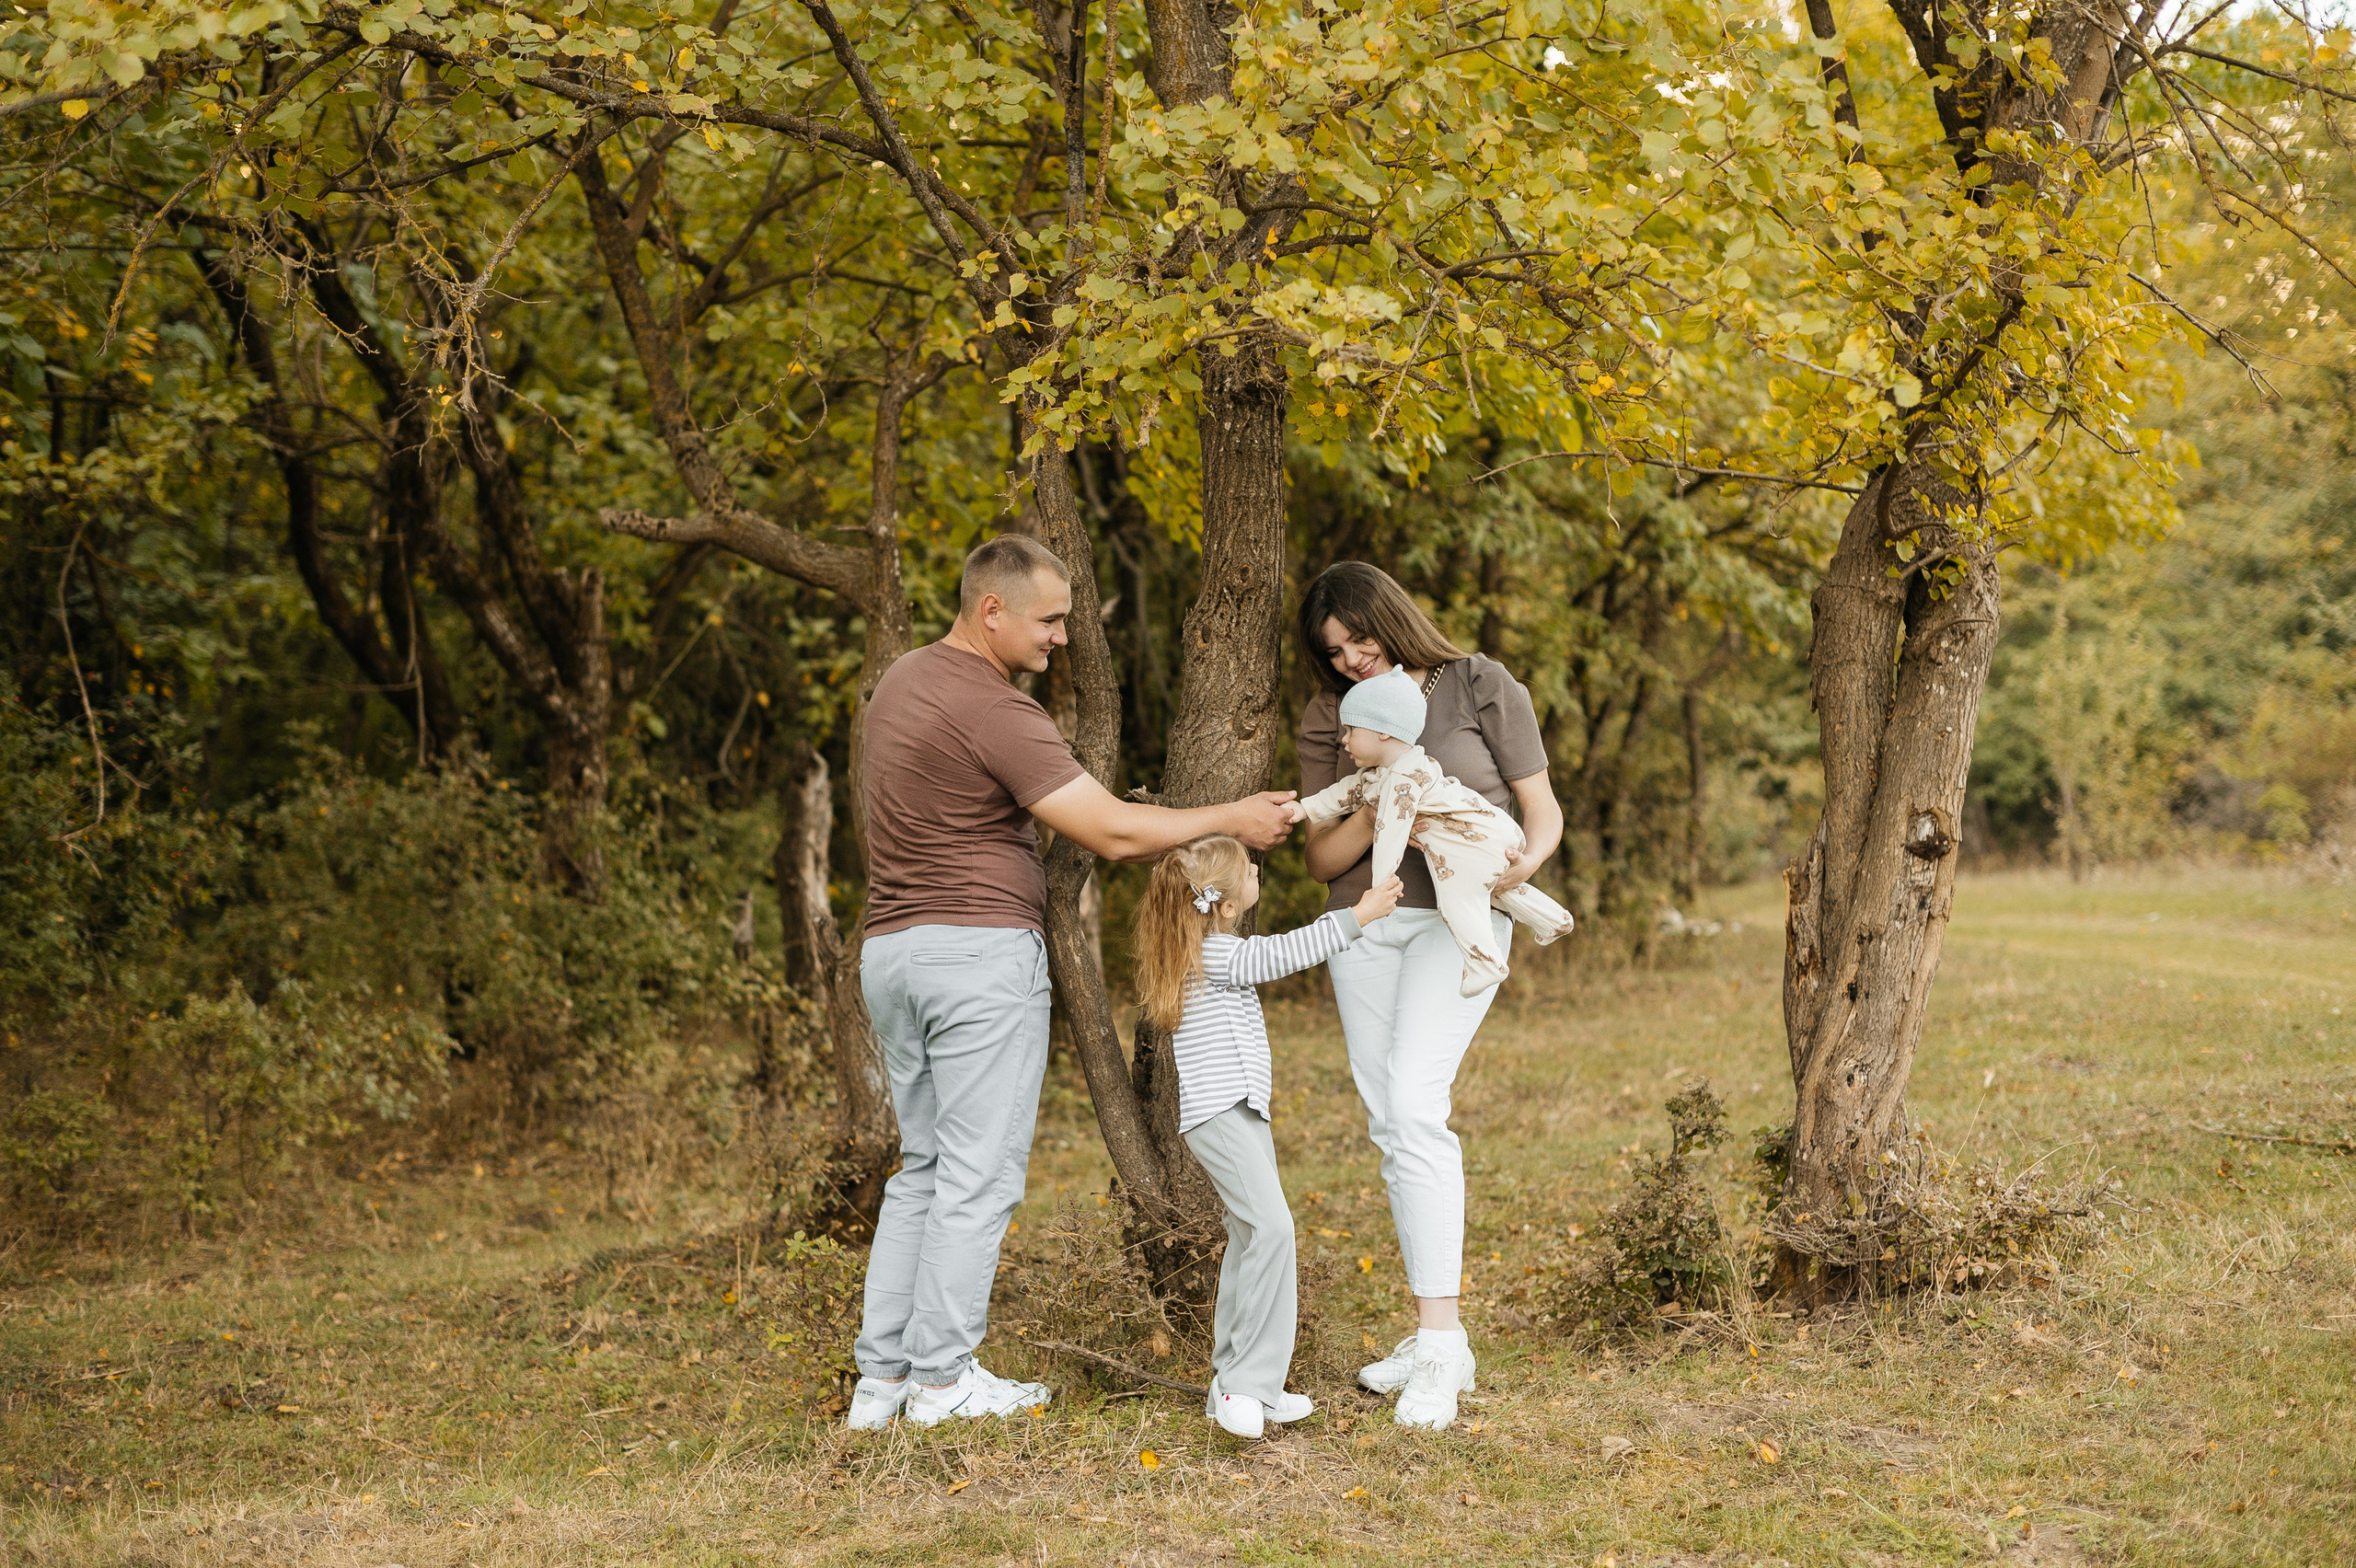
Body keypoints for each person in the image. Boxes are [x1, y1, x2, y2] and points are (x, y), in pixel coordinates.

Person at [848, 533, 1299, 1430]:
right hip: (973, 957)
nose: (1061, 637)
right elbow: (1114, 833)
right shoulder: (996, 710)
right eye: (1050, 620)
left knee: (925, 1169)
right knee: (976, 1175)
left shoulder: (899, 683)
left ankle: (881, 1385)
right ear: (992, 610)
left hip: (891, 952)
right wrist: (1233, 817)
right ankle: (942, 1383)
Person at [1295, 561, 1564, 1430]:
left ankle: (1441, 1346)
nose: (1349, 661)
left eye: (1359, 639)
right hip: (1365, 927)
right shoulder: (1328, 717)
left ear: (1390, 618)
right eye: (1333, 652)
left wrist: (1516, 866)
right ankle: (1430, 1330)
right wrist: (1382, 799)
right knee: (1392, 1120)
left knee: (1415, 1105)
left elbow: (1540, 807)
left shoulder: (1477, 683)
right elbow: (1321, 861)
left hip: (1459, 919)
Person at [1131, 836, 1404, 1438]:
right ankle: (1242, 1387)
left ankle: (1242, 1383)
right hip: (1220, 1116)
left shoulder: (1207, 952)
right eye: (1249, 868)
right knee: (1273, 1230)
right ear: (1225, 905)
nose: (1258, 870)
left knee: (1256, 1238)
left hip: (1242, 1112)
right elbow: (1283, 953)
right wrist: (1358, 915)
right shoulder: (1217, 954)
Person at [1294, 667, 1573, 996]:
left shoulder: (1404, 778)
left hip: (1474, 838)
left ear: (1382, 731)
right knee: (1495, 886)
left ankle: (1485, 964)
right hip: (1480, 839)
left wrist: (1381, 886)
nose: (1344, 739)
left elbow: (1391, 832)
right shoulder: (1386, 771)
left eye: (1352, 729)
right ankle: (1554, 919)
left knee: (1457, 900)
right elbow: (1347, 793)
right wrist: (1303, 810)